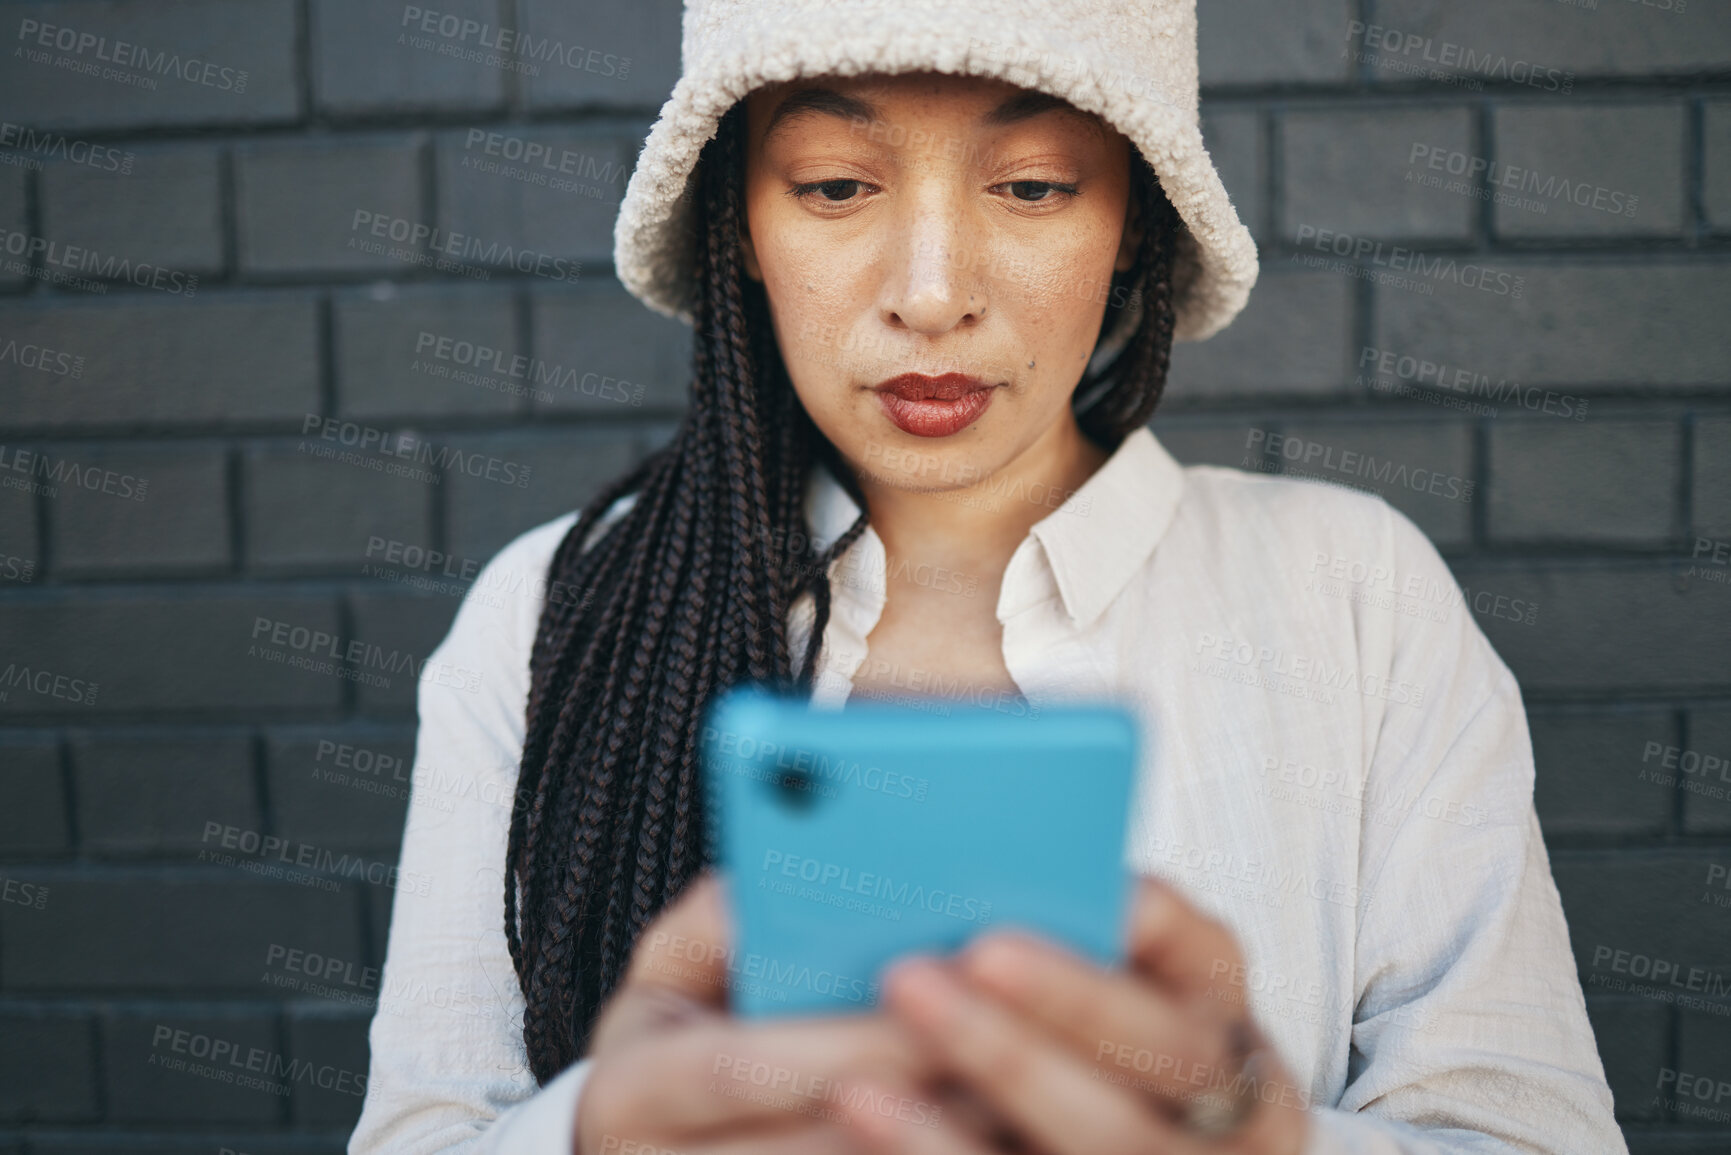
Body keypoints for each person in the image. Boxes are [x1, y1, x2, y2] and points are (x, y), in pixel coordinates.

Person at [349, 1, 1627, 1152]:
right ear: (739, 220)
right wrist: (595, 1138)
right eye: (838, 184)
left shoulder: (1354, 595)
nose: (933, 293)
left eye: (1031, 187)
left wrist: (1266, 1145)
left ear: (1133, 221)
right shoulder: (552, 615)